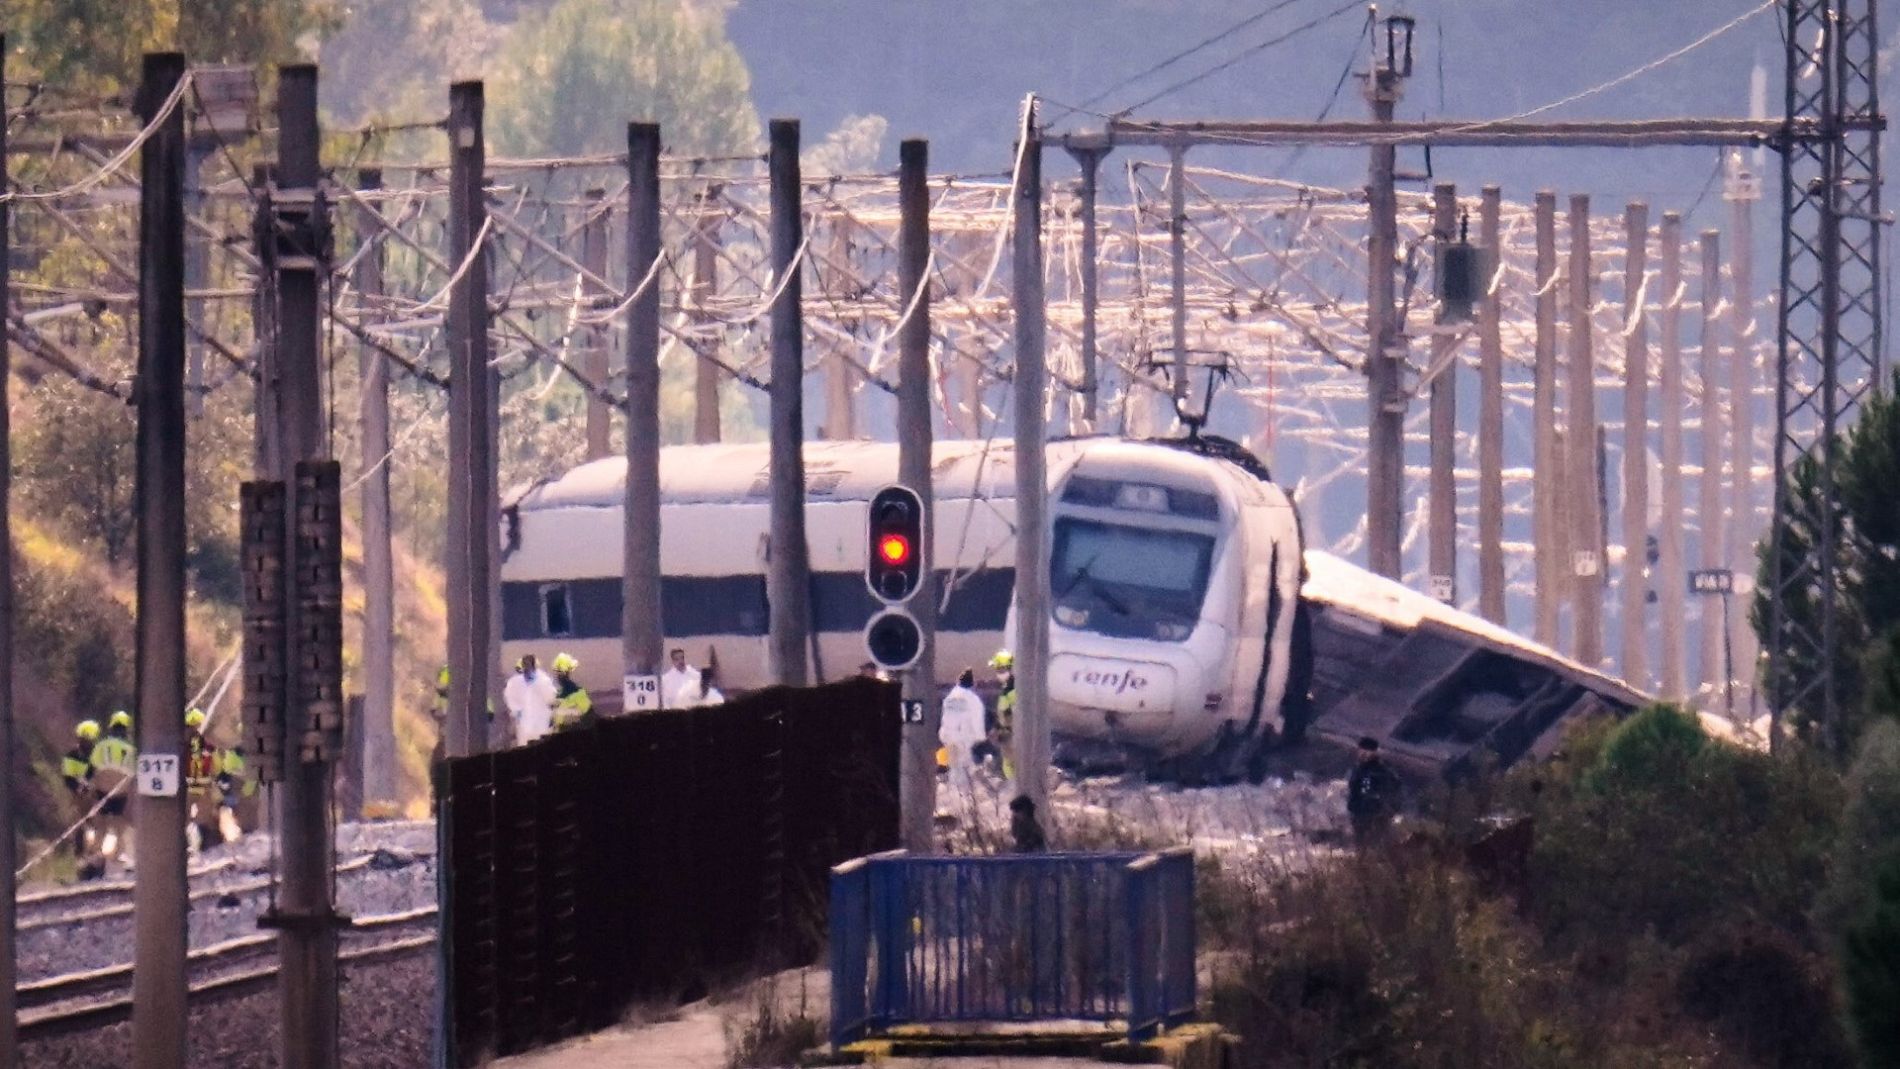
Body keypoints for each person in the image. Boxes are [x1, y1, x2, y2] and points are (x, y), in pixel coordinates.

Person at [89, 711, 137, 861]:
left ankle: (95, 856)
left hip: (101, 789)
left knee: (100, 826)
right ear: (125, 729)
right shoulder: (130, 750)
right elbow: (135, 774)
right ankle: (120, 854)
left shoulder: (101, 746)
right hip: (121, 790)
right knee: (120, 825)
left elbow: (91, 769)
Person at [939, 670, 986, 803]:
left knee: (955, 766)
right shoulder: (972, 699)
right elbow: (977, 720)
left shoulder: (950, 698)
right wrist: (979, 737)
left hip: (949, 737)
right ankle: (964, 798)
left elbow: (945, 718)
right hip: (964, 739)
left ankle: (956, 796)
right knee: (964, 768)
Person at [1346, 736, 1403, 845]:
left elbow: (1394, 790)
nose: (1363, 754)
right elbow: (1354, 789)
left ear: (1374, 752)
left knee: (1376, 844)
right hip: (1359, 814)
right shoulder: (1358, 769)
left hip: (1377, 815)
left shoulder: (1383, 771)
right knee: (1361, 844)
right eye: (1361, 751)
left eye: (1367, 751)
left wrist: (1389, 809)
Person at [183, 707, 221, 853]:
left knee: (184, 819)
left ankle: (185, 846)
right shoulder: (208, 745)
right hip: (203, 787)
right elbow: (216, 766)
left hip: (186, 787)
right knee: (204, 819)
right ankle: (206, 847)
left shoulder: (181, 744)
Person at [503, 654, 558, 746]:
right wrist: (516, 710)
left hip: (541, 724)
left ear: (533, 666)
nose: (526, 668)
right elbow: (509, 697)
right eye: (525, 665)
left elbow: (551, 698)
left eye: (528, 665)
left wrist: (537, 685)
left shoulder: (544, 680)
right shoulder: (515, 682)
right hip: (524, 726)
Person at [989, 650, 1017, 779]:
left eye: (1000, 670)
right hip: (1008, 734)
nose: (998, 674)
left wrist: (1001, 730)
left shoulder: (1012, 690)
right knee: (1008, 763)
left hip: (1012, 735)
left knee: (1012, 763)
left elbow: (1010, 715)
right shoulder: (1007, 689)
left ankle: (1016, 787)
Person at [550, 652, 593, 731]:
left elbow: (589, 721)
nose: (559, 676)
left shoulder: (579, 695)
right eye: (558, 673)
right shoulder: (557, 695)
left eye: (561, 673)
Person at [63, 720, 99, 797]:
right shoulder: (71, 756)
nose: (86, 742)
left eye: (89, 740)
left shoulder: (97, 757)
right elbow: (68, 779)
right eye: (84, 739)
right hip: (77, 796)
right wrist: (78, 788)